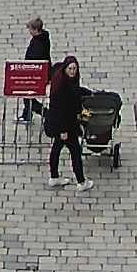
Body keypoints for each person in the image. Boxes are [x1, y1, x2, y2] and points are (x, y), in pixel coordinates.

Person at [44, 55, 93, 192]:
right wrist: (63, 131)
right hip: (65, 126)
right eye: (70, 69)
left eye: (74, 69)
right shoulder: (63, 87)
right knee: (75, 153)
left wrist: (88, 92)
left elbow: (76, 93)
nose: (73, 71)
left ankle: (54, 177)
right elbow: (62, 111)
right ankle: (81, 181)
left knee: (56, 149)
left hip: (63, 124)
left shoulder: (63, 81)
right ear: (65, 69)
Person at [20, 17, 53, 122]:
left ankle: (46, 113)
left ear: (35, 30)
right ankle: (27, 115)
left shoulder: (39, 44)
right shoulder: (42, 37)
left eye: (30, 29)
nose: (29, 31)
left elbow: (35, 61)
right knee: (28, 96)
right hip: (39, 72)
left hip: (37, 74)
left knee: (28, 97)